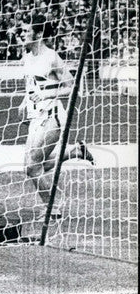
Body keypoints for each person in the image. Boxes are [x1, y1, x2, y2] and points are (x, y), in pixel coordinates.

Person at [18, 14, 94, 218]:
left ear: (38, 34)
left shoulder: (51, 57)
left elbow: (72, 87)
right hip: (35, 115)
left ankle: (52, 207)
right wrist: (24, 102)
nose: (22, 34)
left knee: (32, 167)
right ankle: (75, 151)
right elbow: (31, 85)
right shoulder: (27, 57)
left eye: (26, 31)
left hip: (53, 114)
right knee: (34, 165)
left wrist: (46, 94)